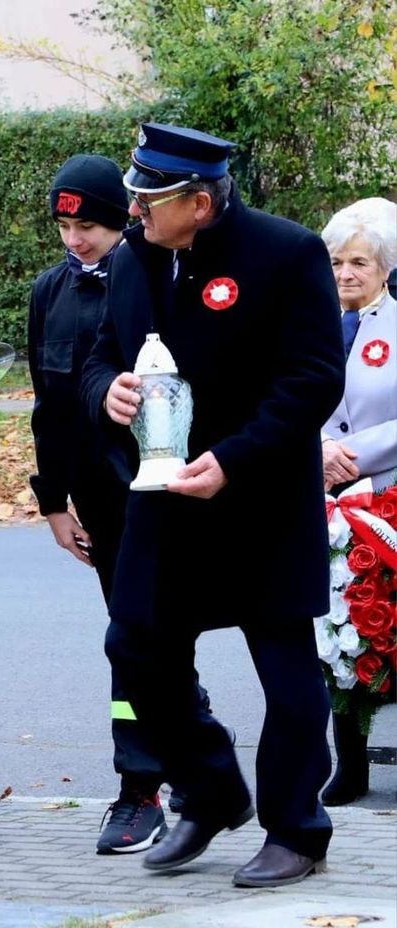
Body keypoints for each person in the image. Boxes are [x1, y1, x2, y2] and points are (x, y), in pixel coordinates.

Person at [80, 124, 344, 887]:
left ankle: (296, 829)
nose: (133, 212)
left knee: (286, 674)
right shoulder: (133, 258)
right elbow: (101, 355)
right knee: (135, 649)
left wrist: (233, 459)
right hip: (166, 505)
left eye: (149, 199)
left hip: (261, 502)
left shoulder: (286, 253)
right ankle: (211, 789)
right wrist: (107, 393)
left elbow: (313, 379)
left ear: (199, 203)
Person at [28, 154, 167, 853]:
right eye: (64, 226)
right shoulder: (49, 292)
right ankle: (161, 770)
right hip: (96, 499)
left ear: (121, 218)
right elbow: (48, 407)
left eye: (88, 225)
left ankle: (147, 785)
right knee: (134, 636)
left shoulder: (158, 274)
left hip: (163, 492)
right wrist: (53, 500)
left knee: (145, 635)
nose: (75, 239)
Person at [317, 196, 397, 805]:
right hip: (321, 496)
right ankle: (349, 764)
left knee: (385, 624)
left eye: (359, 262)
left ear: (385, 267)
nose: (345, 273)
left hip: (387, 494)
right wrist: (316, 448)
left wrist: (353, 454)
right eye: (337, 261)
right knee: (333, 627)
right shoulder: (306, 322)